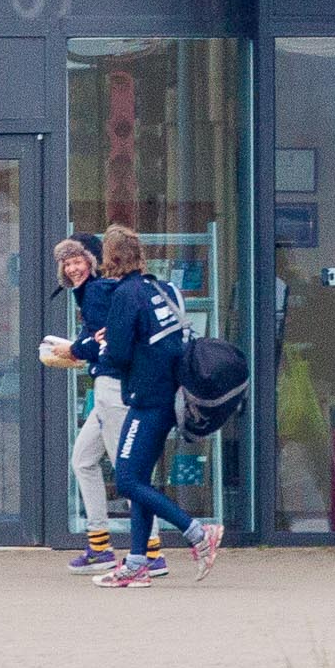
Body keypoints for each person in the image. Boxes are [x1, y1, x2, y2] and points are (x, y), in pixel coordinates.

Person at [87, 227, 224, 588]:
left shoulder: (124, 295)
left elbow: (116, 355)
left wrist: (90, 348)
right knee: (139, 478)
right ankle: (137, 563)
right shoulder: (157, 288)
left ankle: (197, 533)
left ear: (111, 257)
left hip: (147, 399)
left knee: (128, 480)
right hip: (170, 397)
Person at [59, 230, 166, 575]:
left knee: (129, 473)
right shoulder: (94, 291)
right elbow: (100, 335)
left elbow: (110, 340)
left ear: (94, 261)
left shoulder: (97, 292)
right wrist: (83, 344)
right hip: (106, 387)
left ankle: (152, 552)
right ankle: (100, 545)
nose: (73, 268)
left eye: (78, 260)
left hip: (114, 390)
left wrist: (76, 349)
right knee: (83, 460)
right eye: (67, 262)